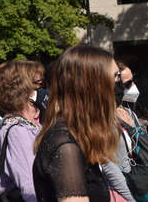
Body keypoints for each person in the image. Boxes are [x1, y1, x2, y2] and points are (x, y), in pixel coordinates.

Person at [33, 45, 120, 201]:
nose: (117, 84)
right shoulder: (65, 145)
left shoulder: (76, 135)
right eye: (114, 76)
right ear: (95, 86)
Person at [0, 61, 41, 202]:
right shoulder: (18, 131)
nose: (38, 89)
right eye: (35, 84)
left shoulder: (26, 125)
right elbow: (30, 186)